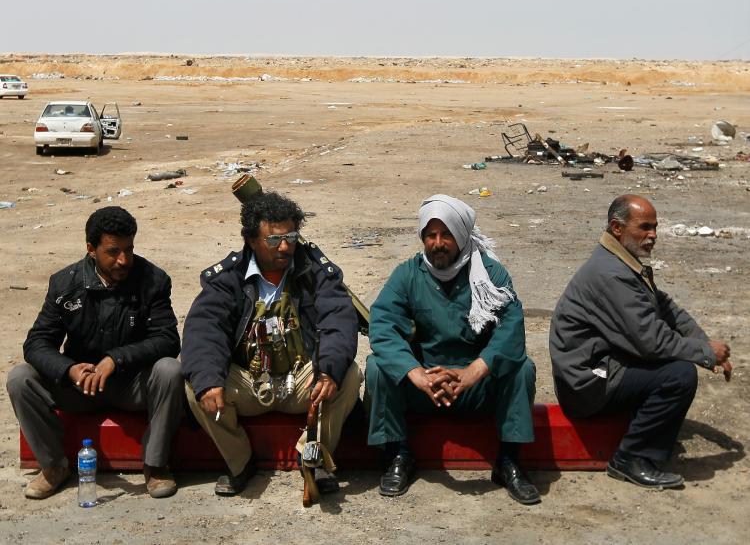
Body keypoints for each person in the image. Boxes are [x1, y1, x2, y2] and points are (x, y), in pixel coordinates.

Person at [182, 191, 361, 496]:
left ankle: (313, 455)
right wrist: (208, 381)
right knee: (194, 384)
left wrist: (328, 370)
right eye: (273, 239)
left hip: (302, 382)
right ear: (252, 241)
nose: (284, 246)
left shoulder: (315, 272)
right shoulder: (228, 278)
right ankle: (240, 463)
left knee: (350, 373)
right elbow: (204, 329)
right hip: (251, 385)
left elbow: (338, 319)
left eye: (290, 236)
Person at [549, 194, 732, 489]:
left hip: (602, 364)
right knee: (679, 375)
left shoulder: (622, 260)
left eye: (655, 228)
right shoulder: (611, 273)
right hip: (586, 384)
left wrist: (704, 343)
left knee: (676, 362)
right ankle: (631, 459)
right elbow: (652, 343)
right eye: (644, 227)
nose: (653, 236)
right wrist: (703, 352)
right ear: (617, 228)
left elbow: (667, 308)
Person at [366, 194, 539, 504]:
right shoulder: (407, 274)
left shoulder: (491, 275)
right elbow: (382, 325)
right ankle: (398, 455)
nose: (438, 243)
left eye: (446, 234)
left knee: (522, 367)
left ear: (461, 236)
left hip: (475, 386)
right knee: (378, 367)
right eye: (431, 235)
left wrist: (473, 372)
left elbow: (511, 332)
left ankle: (509, 461)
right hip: (426, 387)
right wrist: (415, 373)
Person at [6, 206, 183, 500]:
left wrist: (116, 359)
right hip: (81, 385)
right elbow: (37, 343)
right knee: (20, 378)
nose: (123, 260)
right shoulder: (65, 284)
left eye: (129, 249)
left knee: (169, 370)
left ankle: (156, 465)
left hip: (130, 383)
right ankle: (53, 467)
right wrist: (69, 370)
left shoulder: (153, 280)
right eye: (113, 252)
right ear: (91, 249)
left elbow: (167, 339)